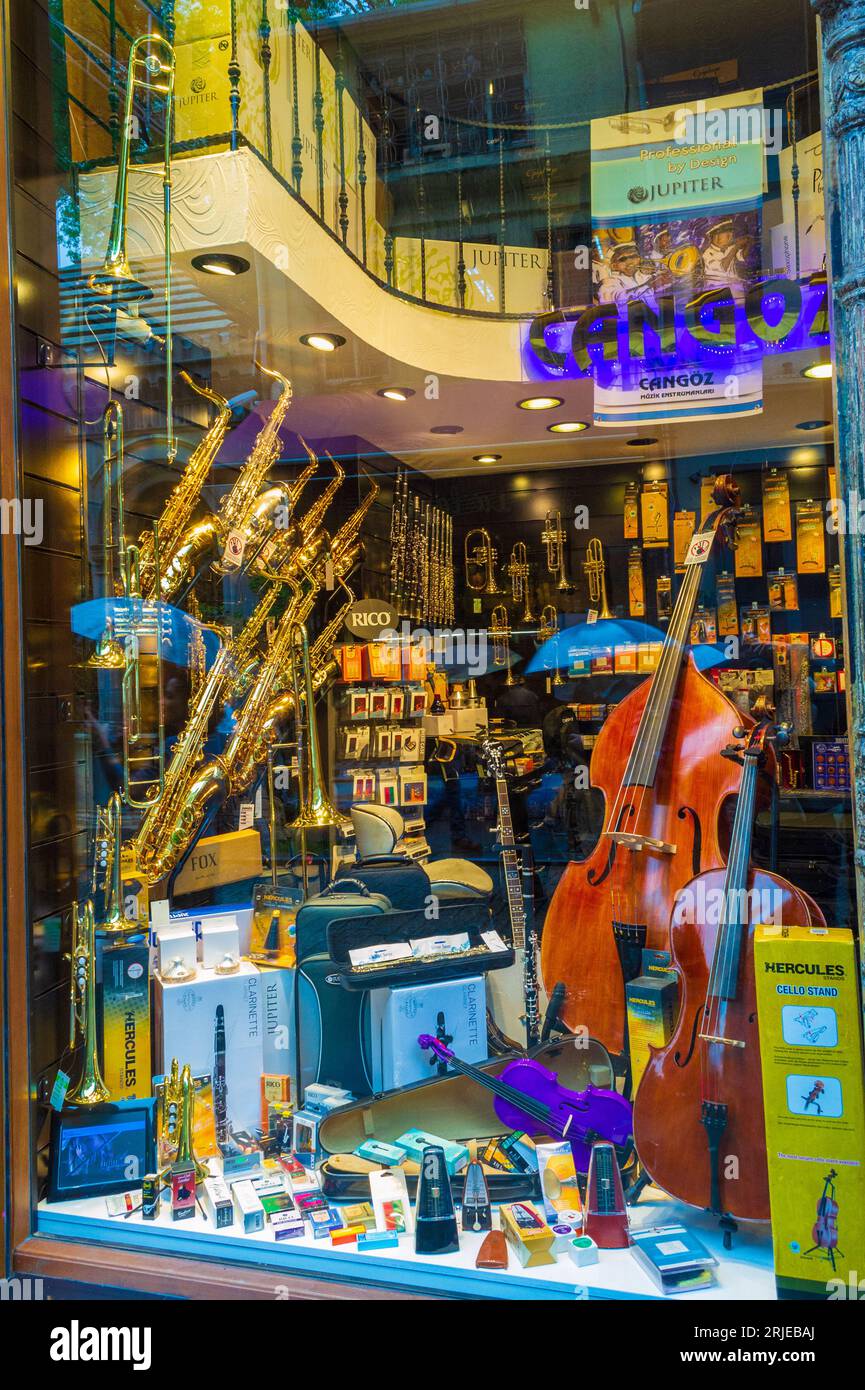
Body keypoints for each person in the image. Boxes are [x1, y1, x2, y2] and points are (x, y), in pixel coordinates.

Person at [597, 242, 656, 310]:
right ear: (614, 266)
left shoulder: (644, 277)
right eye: (622, 259)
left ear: (639, 259)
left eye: (633, 256)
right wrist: (650, 285)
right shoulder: (609, 283)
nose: (630, 262)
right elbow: (617, 298)